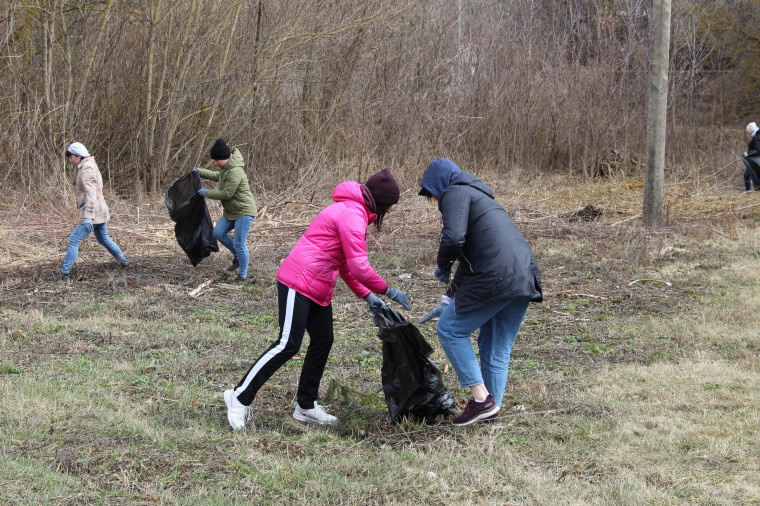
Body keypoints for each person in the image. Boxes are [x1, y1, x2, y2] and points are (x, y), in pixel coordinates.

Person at [223, 168, 410, 430]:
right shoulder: (352, 215)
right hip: (297, 282)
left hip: (316, 285)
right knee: (288, 344)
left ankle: (306, 406)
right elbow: (359, 267)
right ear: (380, 200)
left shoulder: (355, 212)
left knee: (323, 340)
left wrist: (367, 295)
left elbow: (345, 264)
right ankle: (239, 397)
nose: (390, 211)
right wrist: (387, 290)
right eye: (390, 205)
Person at [418, 158, 542, 426]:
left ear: (439, 185)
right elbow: (471, 256)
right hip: (522, 274)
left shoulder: (454, 192)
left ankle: (481, 401)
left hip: (496, 274)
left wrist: (441, 267)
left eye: (432, 195)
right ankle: (489, 412)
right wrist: (448, 296)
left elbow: (453, 239)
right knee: (495, 345)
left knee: (449, 329)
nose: (435, 202)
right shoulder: (479, 198)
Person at [45, 142, 130, 281]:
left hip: (93, 213)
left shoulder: (87, 169)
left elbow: (91, 194)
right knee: (104, 239)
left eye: (71, 157)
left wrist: (88, 217)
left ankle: (64, 273)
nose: (70, 160)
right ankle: (124, 263)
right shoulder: (89, 165)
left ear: (79, 156)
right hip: (99, 211)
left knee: (74, 240)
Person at [193, 138, 257, 283]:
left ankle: (242, 275)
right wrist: (200, 172)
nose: (215, 163)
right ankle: (238, 257)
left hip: (244, 211)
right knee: (218, 233)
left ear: (226, 158)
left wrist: (206, 192)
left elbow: (226, 194)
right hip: (231, 211)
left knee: (240, 243)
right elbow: (217, 176)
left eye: (217, 160)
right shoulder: (226, 169)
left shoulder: (235, 171)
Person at [742, 122, 760, 191]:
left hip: (755, 161)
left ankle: (748, 192)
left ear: (751, 130)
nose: (747, 133)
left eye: (748, 131)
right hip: (754, 161)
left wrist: (748, 153)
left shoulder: (757, 138)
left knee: (746, 175)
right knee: (747, 175)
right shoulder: (756, 136)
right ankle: (748, 191)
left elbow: (758, 151)